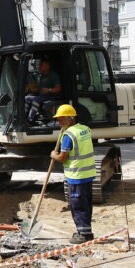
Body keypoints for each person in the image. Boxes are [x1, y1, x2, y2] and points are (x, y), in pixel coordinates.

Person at [49, 104, 95, 243]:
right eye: (58, 119)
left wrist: (53, 155)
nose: (59, 122)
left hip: (76, 176)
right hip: (88, 173)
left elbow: (63, 158)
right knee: (86, 203)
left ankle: (83, 234)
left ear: (71, 118)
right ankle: (87, 231)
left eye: (62, 119)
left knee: (78, 205)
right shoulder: (85, 129)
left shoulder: (68, 135)